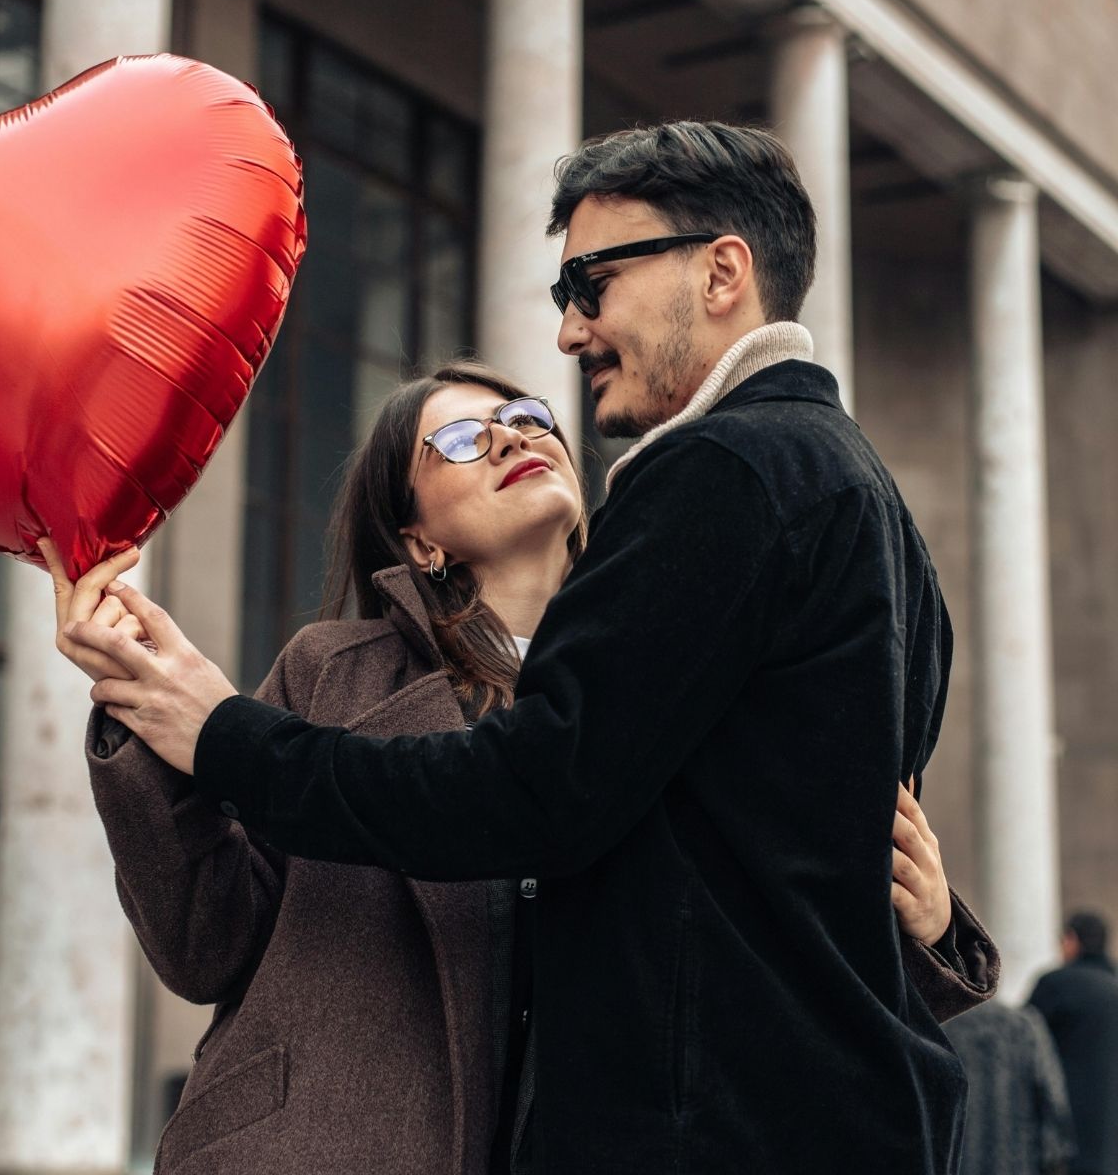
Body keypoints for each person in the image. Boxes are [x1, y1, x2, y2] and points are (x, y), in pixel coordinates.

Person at [64, 122, 988, 1173]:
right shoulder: (868, 519)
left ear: (723, 271)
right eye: (458, 438)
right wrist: (161, 717)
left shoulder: (724, 475)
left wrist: (229, 735)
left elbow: (538, 797)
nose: (568, 334)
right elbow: (211, 934)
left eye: (589, 283)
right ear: (413, 530)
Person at [1029, 911, 1118, 1175]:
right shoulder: (1114, 987)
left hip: (1065, 1124)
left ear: (1072, 940)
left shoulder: (1056, 984)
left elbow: (1025, 1040)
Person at [944, 1000, 1075, 1175]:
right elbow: (1052, 1099)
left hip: (958, 1161)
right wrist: (1054, 1158)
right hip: (1017, 1162)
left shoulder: (943, 1027)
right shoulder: (1024, 1025)